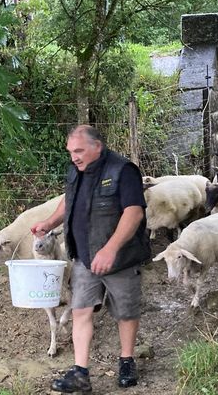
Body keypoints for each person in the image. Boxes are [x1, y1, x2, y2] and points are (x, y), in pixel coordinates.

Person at [31, 124, 151, 393]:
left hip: (120, 258)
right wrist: (50, 222)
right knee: (81, 309)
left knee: (125, 311)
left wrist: (110, 249)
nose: (74, 156)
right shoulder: (76, 170)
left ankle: (127, 360)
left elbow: (134, 213)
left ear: (97, 146)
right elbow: (68, 199)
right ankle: (80, 373)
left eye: (79, 150)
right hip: (84, 256)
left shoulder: (123, 170)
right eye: (71, 151)